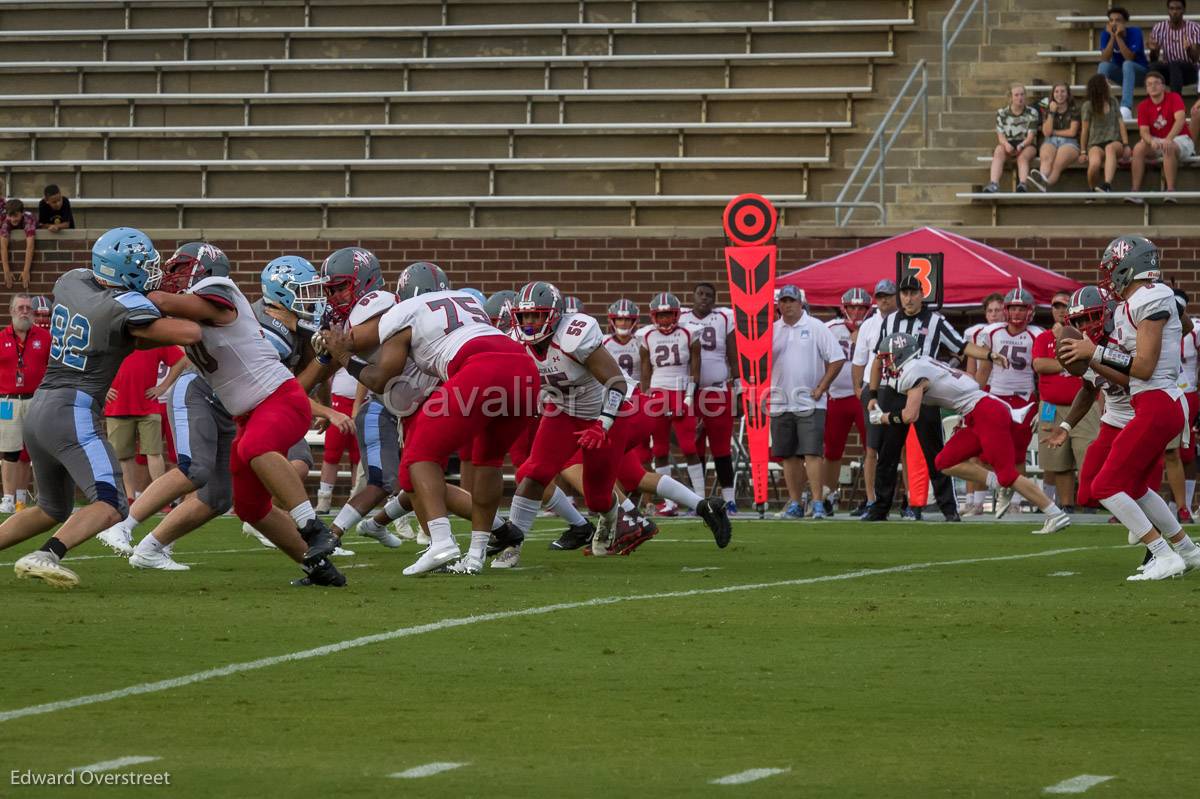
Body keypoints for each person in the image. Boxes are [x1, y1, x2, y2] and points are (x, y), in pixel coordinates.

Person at [0, 227, 203, 588]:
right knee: (112, 503)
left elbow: (119, 336)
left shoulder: (71, 281)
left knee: (51, 508)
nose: (150, 271)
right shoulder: (121, 305)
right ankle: (47, 554)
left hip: (42, 407)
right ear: (122, 268)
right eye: (143, 265)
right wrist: (169, 301)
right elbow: (190, 333)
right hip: (73, 410)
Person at [139, 243, 346, 585]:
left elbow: (298, 377)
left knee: (257, 450)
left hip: (275, 402)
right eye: (303, 292)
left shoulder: (224, 298)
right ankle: (320, 569)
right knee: (249, 506)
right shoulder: (262, 321)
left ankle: (313, 527)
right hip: (245, 408)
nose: (313, 300)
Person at [320, 261, 542, 576]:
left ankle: (441, 541)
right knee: (489, 461)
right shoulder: (468, 303)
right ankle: (475, 556)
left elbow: (381, 378)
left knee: (418, 456)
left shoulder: (403, 310)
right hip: (523, 370)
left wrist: (343, 357)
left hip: (480, 367)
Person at [1058, 235, 1200, 580]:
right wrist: (1092, 360)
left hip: (1158, 400)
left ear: (1127, 266)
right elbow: (1131, 372)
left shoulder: (1152, 296)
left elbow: (1143, 368)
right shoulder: (1134, 304)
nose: (1108, 276)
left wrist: (1095, 353)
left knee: (1105, 484)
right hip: (1151, 401)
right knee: (1133, 485)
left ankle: (1162, 555)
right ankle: (1186, 549)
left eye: (1112, 268)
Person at [874, 333, 1070, 535]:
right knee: (944, 462)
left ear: (900, 355)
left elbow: (910, 415)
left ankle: (1055, 514)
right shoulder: (923, 362)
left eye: (887, 357)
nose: (886, 363)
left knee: (1009, 474)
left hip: (986, 413)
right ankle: (998, 483)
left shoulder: (912, 372)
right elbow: (966, 380)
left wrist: (883, 417)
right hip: (976, 413)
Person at [866, 276, 1006, 522]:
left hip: (924, 391)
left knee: (934, 451)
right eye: (904, 293)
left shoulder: (935, 320)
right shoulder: (890, 320)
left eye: (913, 292)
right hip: (893, 388)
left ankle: (948, 508)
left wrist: (991, 355)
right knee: (888, 452)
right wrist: (874, 394)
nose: (908, 298)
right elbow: (879, 358)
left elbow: (962, 347)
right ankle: (880, 508)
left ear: (922, 294)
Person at [769, 285, 845, 520]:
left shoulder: (815, 327)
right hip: (780, 400)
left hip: (810, 402)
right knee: (788, 455)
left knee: (812, 452)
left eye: (791, 300)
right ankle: (794, 503)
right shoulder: (772, 330)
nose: (787, 305)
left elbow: (837, 358)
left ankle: (817, 502)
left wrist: (822, 387)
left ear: (801, 302)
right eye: (783, 301)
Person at [973, 288, 1046, 510]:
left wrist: (1042, 402)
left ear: (1030, 311)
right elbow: (984, 369)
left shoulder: (1037, 334)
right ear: (1006, 310)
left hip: (1024, 398)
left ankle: (1015, 501)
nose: (1016, 312)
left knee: (1017, 453)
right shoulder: (993, 332)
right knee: (984, 451)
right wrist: (976, 397)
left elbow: (1041, 374)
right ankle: (977, 502)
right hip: (996, 395)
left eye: (1021, 308)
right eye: (1013, 307)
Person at [1032, 290, 1100, 513]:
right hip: (1051, 405)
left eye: (1064, 306)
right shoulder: (1043, 337)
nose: (1061, 311)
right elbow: (1039, 365)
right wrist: (1067, 362)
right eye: (1056, 306)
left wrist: (1062, 361)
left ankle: (1090, 501)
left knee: (1087, 452)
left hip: (1084, 403)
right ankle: (1066, 504)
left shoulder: (1085, 336)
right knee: (1058, 460)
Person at [639, 291, 705, 513]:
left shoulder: (690, 333)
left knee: (688, 446)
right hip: (657, 393)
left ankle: (700, 499)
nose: (665, 320)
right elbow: (645, 369)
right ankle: (669, 501)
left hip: (680, 390)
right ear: (654, 316)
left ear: (676, 314)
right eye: (661, 315)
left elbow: (696, 367)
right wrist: (645, 396)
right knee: (659, 449)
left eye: (669, 315)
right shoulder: (646, 335)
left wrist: (689, 395)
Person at [679, 282, 738, 514]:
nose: (704, 298)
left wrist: (739, 386)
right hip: (689, 392)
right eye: (700, 294)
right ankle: (698, 500)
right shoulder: (681, 318)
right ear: (693, 296)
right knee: (694, 448)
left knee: (721, 447)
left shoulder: (723, 317)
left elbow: (733, 353)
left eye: (709, 295)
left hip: (717, 391)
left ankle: (730, 500)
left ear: (715, 299)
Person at [104, 345, 188, 502]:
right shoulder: (112, 336)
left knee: (154, 452)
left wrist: (163, 387)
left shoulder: (154, 340)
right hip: (117, 405)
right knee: (123, 456)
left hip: (148, 405)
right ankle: (130, 497)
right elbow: (91, 361)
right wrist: (104, 387)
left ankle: (160, 497)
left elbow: (181, 360)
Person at [849, 279, 899, 517]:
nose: (884, 300)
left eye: (888, 295)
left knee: (901, 447)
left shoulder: (903, 320)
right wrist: (860, 390)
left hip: (899, 386)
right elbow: (858, 362)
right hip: (874, 389)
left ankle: (911, 500)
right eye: (880, 296)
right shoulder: (869, 325)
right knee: (872, 447)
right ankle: (871, 499)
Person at [821, 287, 870, 516]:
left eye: (861, 307)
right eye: (853, 306)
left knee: (872, 448)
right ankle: (827, 495)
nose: (857, 311)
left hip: (864, 395)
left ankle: (873, 498)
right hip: (836, 395)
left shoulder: (874, 327)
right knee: (831, 451)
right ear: (844, 307)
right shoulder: (830, 329)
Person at [0, 294, 50, 514]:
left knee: (32, 452)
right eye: (20, 307)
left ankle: (21, 498)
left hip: (36, 399)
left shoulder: (45, 338)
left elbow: (53, 369)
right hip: (8, 402)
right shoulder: (1, 338)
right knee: (9, 451)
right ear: (11, 311)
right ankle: (8, 498)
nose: (24, 311)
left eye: (28, 308)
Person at [1128, 70, 1193, 204]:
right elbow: (1144, 131)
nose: (1153, 86)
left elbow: (1180, 120)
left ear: (1163, 86)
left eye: (1156, 83)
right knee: (1139, 148)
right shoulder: (1143, 106)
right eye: (1149, 84)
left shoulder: (1174, 97)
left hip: (1180, 138)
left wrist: (1168, 139)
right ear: (1146, 88)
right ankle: (1134, 192)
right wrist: (1151, 141)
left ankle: (1170, 192)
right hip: (1157, 140)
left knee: (1167, 146)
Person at [316, 367, 360, 514]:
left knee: (358, 454)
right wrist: (324, 408)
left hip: (364, 401)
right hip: (338, 401)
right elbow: (325, 376)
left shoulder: (369, 348)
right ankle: (324, 498)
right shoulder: (340, 349)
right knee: (332, 451)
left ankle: (355, 499)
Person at [1079, 73, 1132, 194]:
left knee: (1110, 148)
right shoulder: (1088, 106)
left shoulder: (1113, 101)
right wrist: (1083, 151)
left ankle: (1107, 185)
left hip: (1114, 141)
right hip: (1095, 143)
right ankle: (1092, 189)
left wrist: (1126, 144)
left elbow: (1121, 123)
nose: (1109, 84)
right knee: (1095, 163)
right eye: (1107, 82)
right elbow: (1085, 130)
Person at [983, 83, 1039, 193]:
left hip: (1026, 143)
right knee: (998, 151)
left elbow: (1031, 136)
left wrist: (1022, 145)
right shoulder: (1002, 113)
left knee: (1023, 157)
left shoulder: (1032, 112)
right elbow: (1001, 136)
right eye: (1016, 95)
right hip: (1008, 142)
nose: (1020, 98)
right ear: (1011, 97)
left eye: (1022, 94)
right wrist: (1006, 145)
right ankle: (994, 183)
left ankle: (1022, 184)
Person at [1097, 6, 1149, 121]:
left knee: (1127, 64)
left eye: (1118, 20)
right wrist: (1112, 37)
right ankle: (1100, 105)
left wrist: (1119, 38)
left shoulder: (1135, 32)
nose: (1114, 23)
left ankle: (1125, 109)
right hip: (1123, 76)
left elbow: (1129, 57)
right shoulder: (1106, 34)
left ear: (1125, 22)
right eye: (1111, 20)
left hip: (1140, 75)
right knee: (1103, 66)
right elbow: (1105, 58)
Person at [1029, 83, 1081, 191]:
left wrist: (1055, 132)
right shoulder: (1048, 110)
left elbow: (1072, 132)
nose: (1059, 94)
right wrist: (1052, 113)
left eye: (1063, 91)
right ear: (1053, 94)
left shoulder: (1074, 110)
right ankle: (1042, 180)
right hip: (1050, 140)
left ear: (1068, 94)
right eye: (1056, 91)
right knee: (1046, 159)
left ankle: (1044, 184)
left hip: (1069, 142)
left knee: (1057, 164)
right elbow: (1047, 133)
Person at [1147, 0, 1200, 96]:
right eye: (1172, 8)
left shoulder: (1194, 28)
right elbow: (1153, 59)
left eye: (1178, 8)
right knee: (1153, 66)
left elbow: (1195, 59)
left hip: (1189, 72)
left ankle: (1176, 104)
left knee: (1175, 64)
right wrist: (1153, 50)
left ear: (1184, 10)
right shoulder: (1159, 28)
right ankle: (1154, 103)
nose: (1175, 12)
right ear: (1168, 10)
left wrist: (1188, 49)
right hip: (1170, 72)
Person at [1, 199, 36, 289]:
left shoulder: (28, 219)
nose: (13, 219)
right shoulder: (5, 220)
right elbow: (3, 247)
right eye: (10, 216)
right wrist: (6, 270)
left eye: (16, 216)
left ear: (22, 213)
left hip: (31, 226)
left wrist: (26, 270)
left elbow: (30, 246)